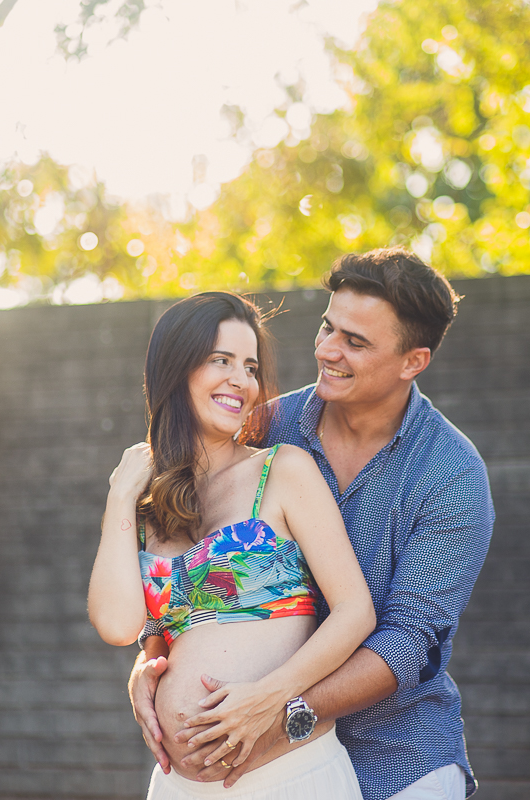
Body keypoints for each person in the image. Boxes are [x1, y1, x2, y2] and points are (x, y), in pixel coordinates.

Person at [130, 248, 495, 800]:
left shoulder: (452, 475)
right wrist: (151, 661)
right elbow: (193, 560)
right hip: (251, 756)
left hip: (399, 756)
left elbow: (406, 644)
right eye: (328, 327)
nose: (326, 350)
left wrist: (278, 708)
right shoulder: (264, 426)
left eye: (355, 342)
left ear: (412, 361)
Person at [88, 291, 378, 799]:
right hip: (178, 788)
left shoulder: (282, 470)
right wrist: (120, 493)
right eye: (220, 360)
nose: (242, 382)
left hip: (290, 777)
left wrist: (271, 696)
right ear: (177, 369)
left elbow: (356, 613)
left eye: (250, 366)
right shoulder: (150, 501)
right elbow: (117, 626)